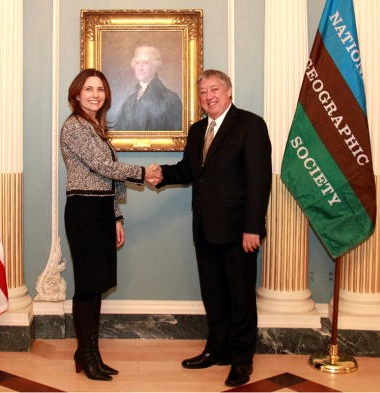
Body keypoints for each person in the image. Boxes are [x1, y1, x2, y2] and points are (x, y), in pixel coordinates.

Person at [147, 69, 272, 387]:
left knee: (240, 298)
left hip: (239, 232)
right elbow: (190, 170)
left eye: (214, 89)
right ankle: (217, 350)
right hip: (204, 228)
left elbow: (260, 182)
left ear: (229, 91)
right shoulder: (197, 129)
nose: (208, 96)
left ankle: (242, 361)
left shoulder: (250, 124)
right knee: (214, 295)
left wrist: (253, 227)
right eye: (202, 92)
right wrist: (161, 173)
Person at [60, 68, 158, 381]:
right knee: (88, 286)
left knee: (97, 286)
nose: (95, 95)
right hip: (84, 211)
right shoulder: (75, 126)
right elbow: (102, 166)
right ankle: (87, 354)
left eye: (100, 90)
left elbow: (105, 179)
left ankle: (90, 353)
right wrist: (144, 173)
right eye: (89, 89)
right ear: (77, 94)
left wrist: (116, 216)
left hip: (100, 210)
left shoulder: (96, 128)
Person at [113, 45, 182, 131]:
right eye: (137, 63)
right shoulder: (129, 101)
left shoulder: (171, 99)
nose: (140, 68)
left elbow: (176, 134)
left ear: (155, 67)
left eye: (146, 63)